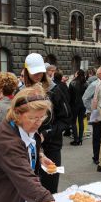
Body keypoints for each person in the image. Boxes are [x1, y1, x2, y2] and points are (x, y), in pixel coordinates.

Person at [24, 53, 71, 194]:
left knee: (49, 188)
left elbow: (66, 119)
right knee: (30, 187)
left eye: (40, 71)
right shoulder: (23, 91)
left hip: (51, 146)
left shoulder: (55, 90)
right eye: (34, 72)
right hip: (28, 145)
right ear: (26, 71)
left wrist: (47, 133)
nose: (38, 75)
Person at [82, 65, 101, 164]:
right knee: (97, 137)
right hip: (97, 115)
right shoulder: (94, 85)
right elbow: (85, 98)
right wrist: (93, 110)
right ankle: (97, 157)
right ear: (99, 74)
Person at [69, 69, 87, 146]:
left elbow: (69, 95)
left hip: (74, 105)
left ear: (77, 74)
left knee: (73, 122)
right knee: (81, 121)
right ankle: (80, 139)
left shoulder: (72, 83)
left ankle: (75, 139)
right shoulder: (86, 83)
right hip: (83, 105)